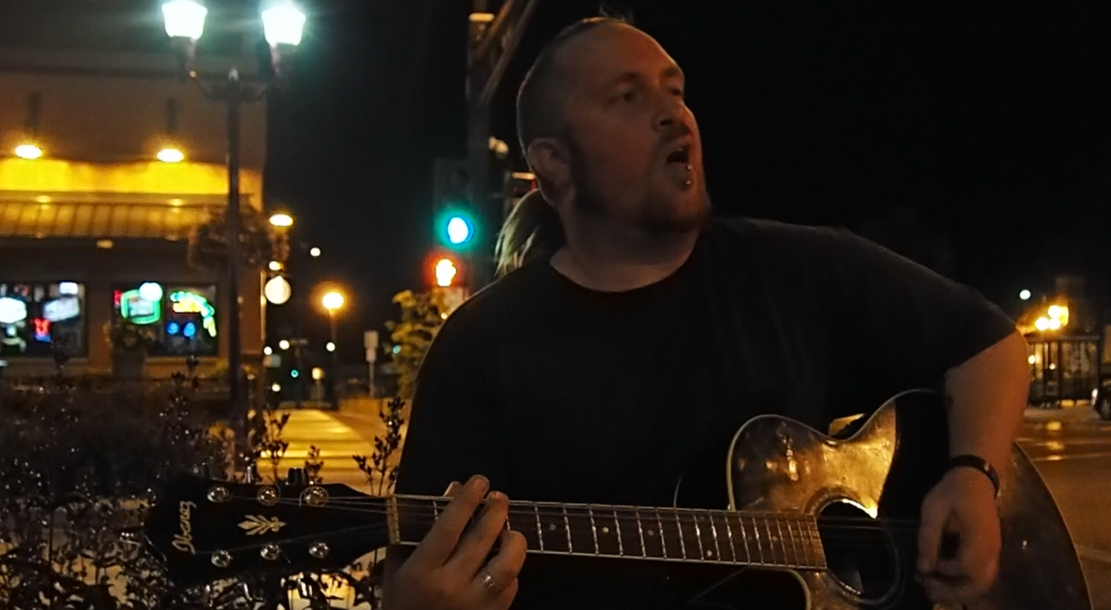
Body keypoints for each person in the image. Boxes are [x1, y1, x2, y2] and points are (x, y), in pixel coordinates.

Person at [382, 15, 1029, 610]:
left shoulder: (801, 269)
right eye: (629, 97)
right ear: (553, 163)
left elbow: (989, 344)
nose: (673, 115)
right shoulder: (482, 346)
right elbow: (421, 564)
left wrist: (974, 476)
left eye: (675, 90)